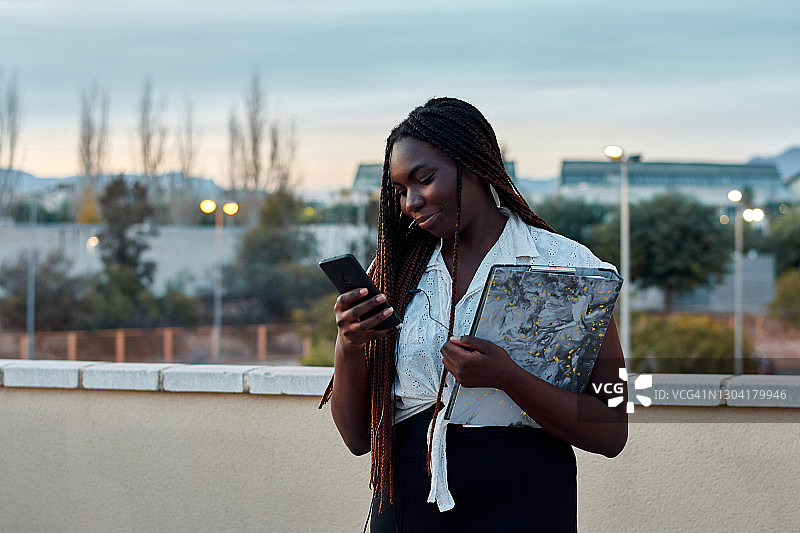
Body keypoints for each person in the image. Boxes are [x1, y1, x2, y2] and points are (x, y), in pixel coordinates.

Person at [319, 97, 627, 532]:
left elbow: (612, 429)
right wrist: (349, 344)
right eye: (400, 190)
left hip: (526, 501)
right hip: (408, 502)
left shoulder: (568, 268)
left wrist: (507, 377)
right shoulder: (393, 272)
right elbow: (356, 439)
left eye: (424, 179)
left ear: (474, 165)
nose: (411, 202)